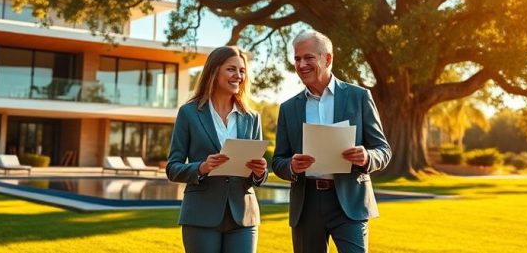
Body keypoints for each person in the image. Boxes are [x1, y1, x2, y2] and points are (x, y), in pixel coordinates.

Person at [272, 30, 392, 253]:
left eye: (309, 57)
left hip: (349, 202)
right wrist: (291, 166)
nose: (301, 64)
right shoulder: (288, 108)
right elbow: (278, 160)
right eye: (297, 59)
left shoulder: (359, 97)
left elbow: (383, 150)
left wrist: (367, 157)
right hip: (306, 205)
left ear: (327, 58)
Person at [167, 45, 269, 253]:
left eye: (242, 71)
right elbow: (172, 167)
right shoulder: (189, 113)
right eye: (231, 69)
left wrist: (260, 173)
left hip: (244, 217)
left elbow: (258, 176)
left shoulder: (251, 118)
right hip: (201, 215)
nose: (238, 76)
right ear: (214, 71)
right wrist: (202, 168)